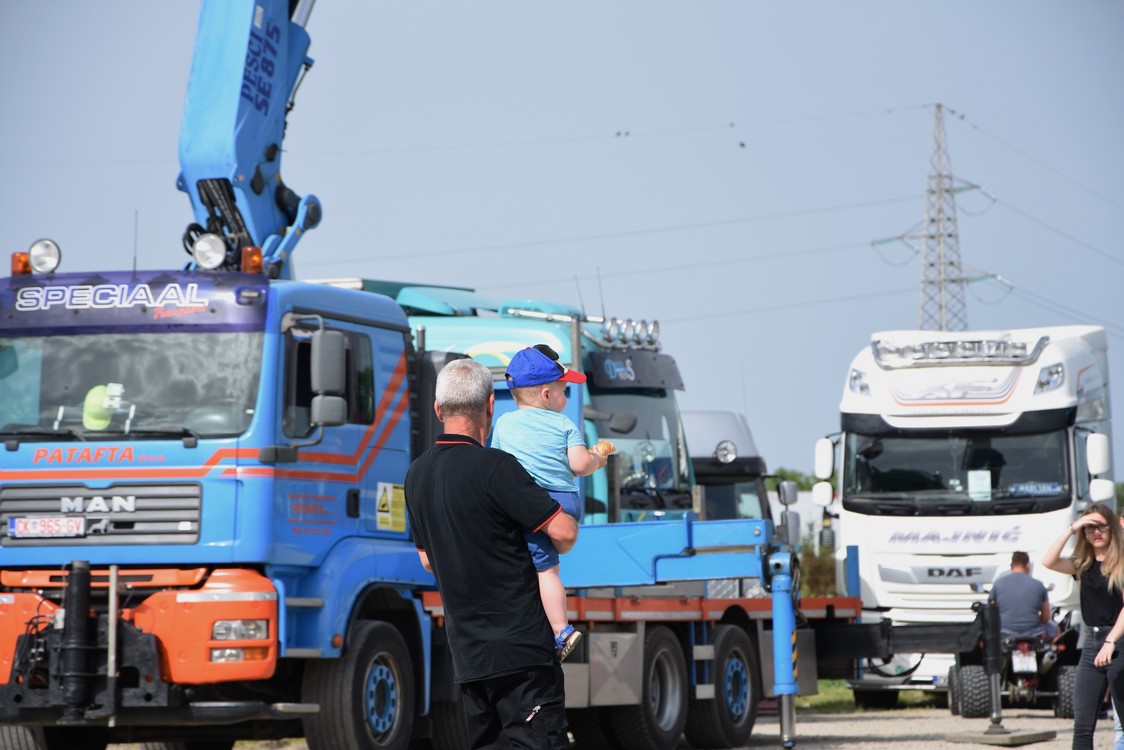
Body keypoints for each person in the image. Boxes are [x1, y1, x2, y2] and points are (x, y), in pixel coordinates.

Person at [404, 357, 578, 749]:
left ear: (437, 409)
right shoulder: (496, 467)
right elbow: (564, 533)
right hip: (521, 654)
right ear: (489, 406)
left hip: (468, 657)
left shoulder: (416, 476)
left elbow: (428, 559)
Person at [490, 345, 609, 661]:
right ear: (546, 395)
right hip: (565, 502)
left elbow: (498, 467)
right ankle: (557, 628)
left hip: (531, 504)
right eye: (565, 390)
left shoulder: (503, 425)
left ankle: (561, 630)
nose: (567, 397)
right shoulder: (564, 425)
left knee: (545, 572)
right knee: (548, 570)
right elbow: (580, 465)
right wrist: (599, 458)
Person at [1042, 502, 1124, 750]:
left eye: (1101, 526)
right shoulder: (1083, 563)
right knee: (1083, 723)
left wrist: (1111, 642)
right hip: (1092, 643)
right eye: (1090, 528)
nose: (1096, 532)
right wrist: (1072, 527)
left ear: (1112, 528)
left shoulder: (1121, 562)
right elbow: (1048, 560)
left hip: (1119, 641)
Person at [991, 550, 1058, 639]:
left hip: (1004, 631)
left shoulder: (998, 584)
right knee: (1056, 630)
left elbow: (991, 613)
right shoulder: (1038, 585)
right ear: (1027, 565)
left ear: (1011, 566)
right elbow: (1046, 617)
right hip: (1033, 632)